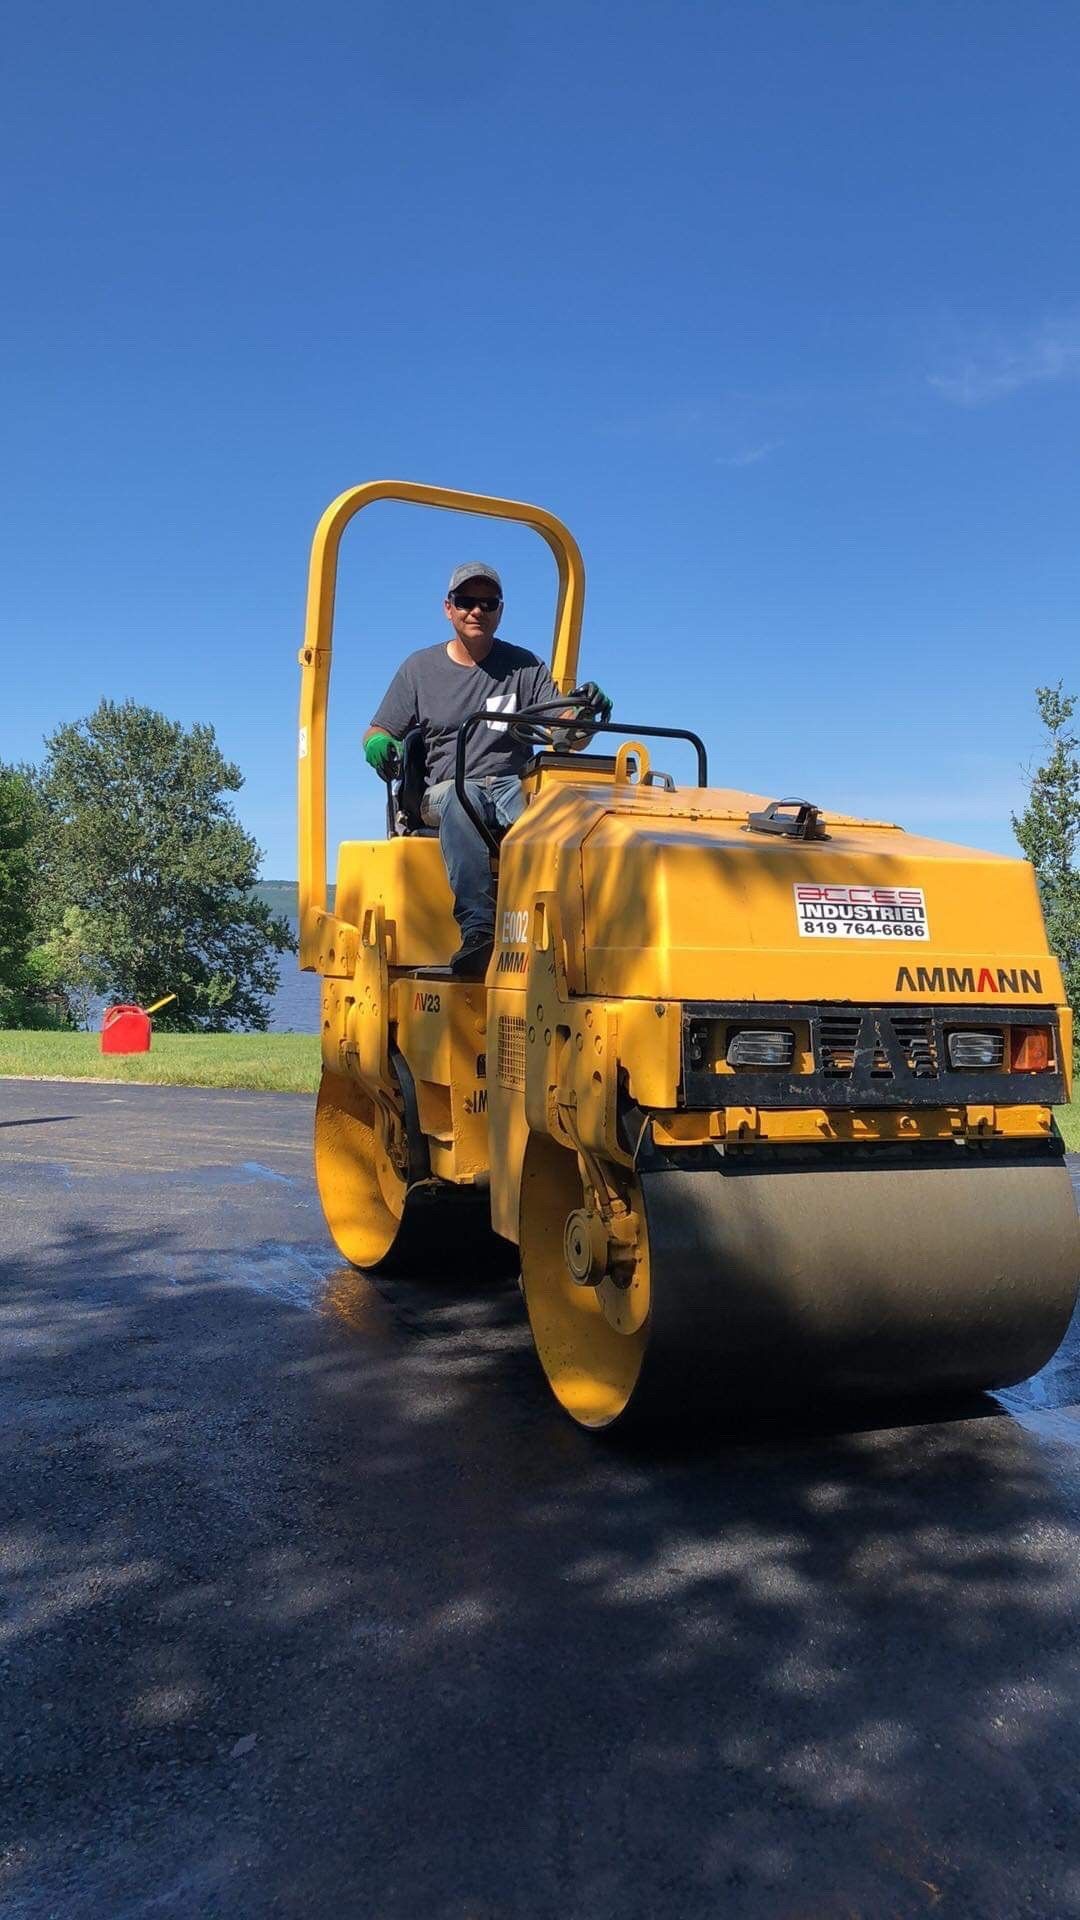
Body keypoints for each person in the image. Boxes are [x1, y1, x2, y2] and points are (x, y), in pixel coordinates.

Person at [364, 563, 611, 977]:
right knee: (465, 800)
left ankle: (579, 931)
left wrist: (584, 715)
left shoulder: (524, 666)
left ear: (500, 610)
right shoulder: (419, 670)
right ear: (448, 608)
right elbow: (379, 728)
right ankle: (479, 930)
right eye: (465, 602)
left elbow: (561, 731)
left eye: (487, 603)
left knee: (559, 823)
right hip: (444, 791)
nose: (476, 611)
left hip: (511, 785)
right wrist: (377, 744)